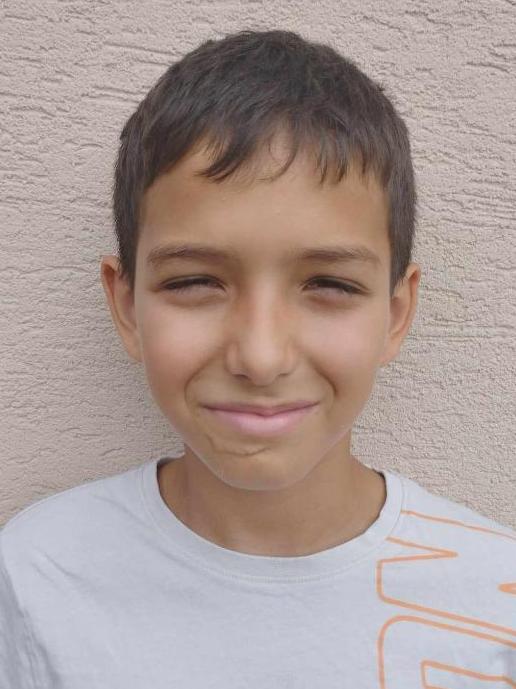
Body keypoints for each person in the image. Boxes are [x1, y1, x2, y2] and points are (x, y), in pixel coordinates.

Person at [1, 28, 514, 687]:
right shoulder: (37, 575)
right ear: (127, 307)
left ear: (395, 314)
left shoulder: (496, 601)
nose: (261, 357)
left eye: (330, 285)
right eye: (194, 281)